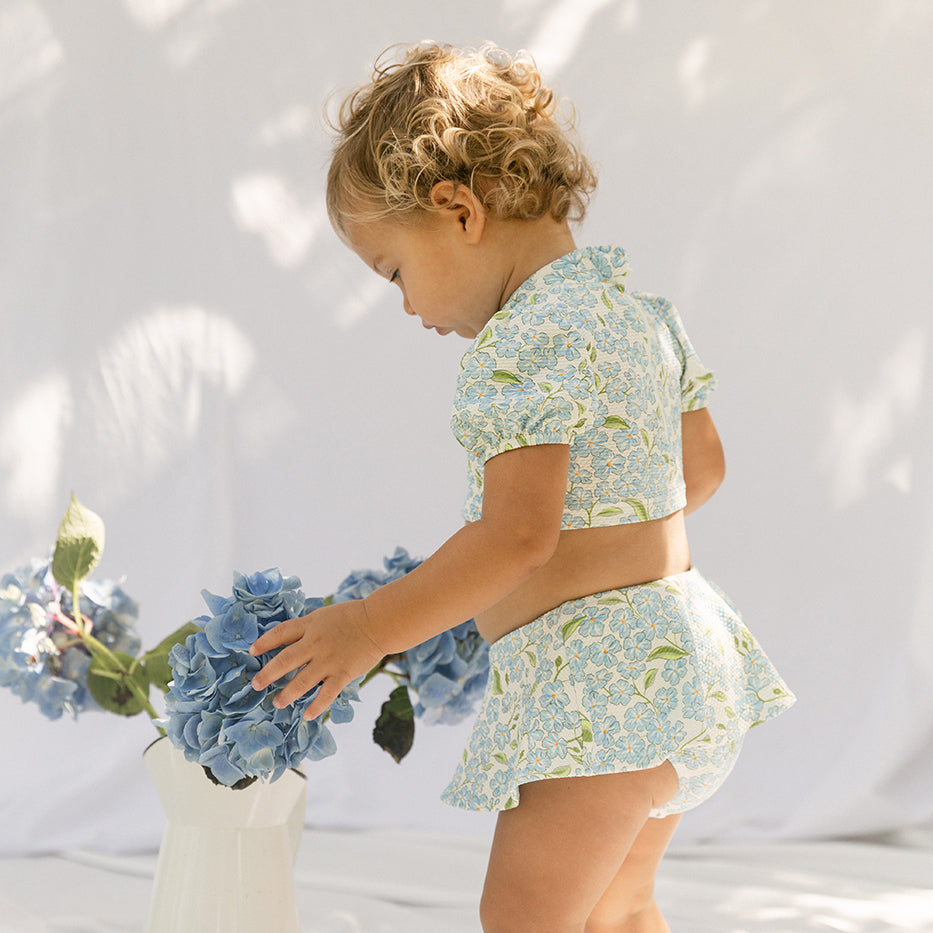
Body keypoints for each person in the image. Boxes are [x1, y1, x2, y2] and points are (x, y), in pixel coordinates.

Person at [250, 41, 795, 933]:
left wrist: (366, 626)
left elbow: (514, 538)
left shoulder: (517, 346)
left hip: (599, 694)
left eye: (394, 272)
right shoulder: (639, 314)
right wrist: (610, 552)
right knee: (619, 907)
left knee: (525, 919)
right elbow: (701, 468)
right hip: (685, 667)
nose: (407, 307)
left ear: (458, 209)